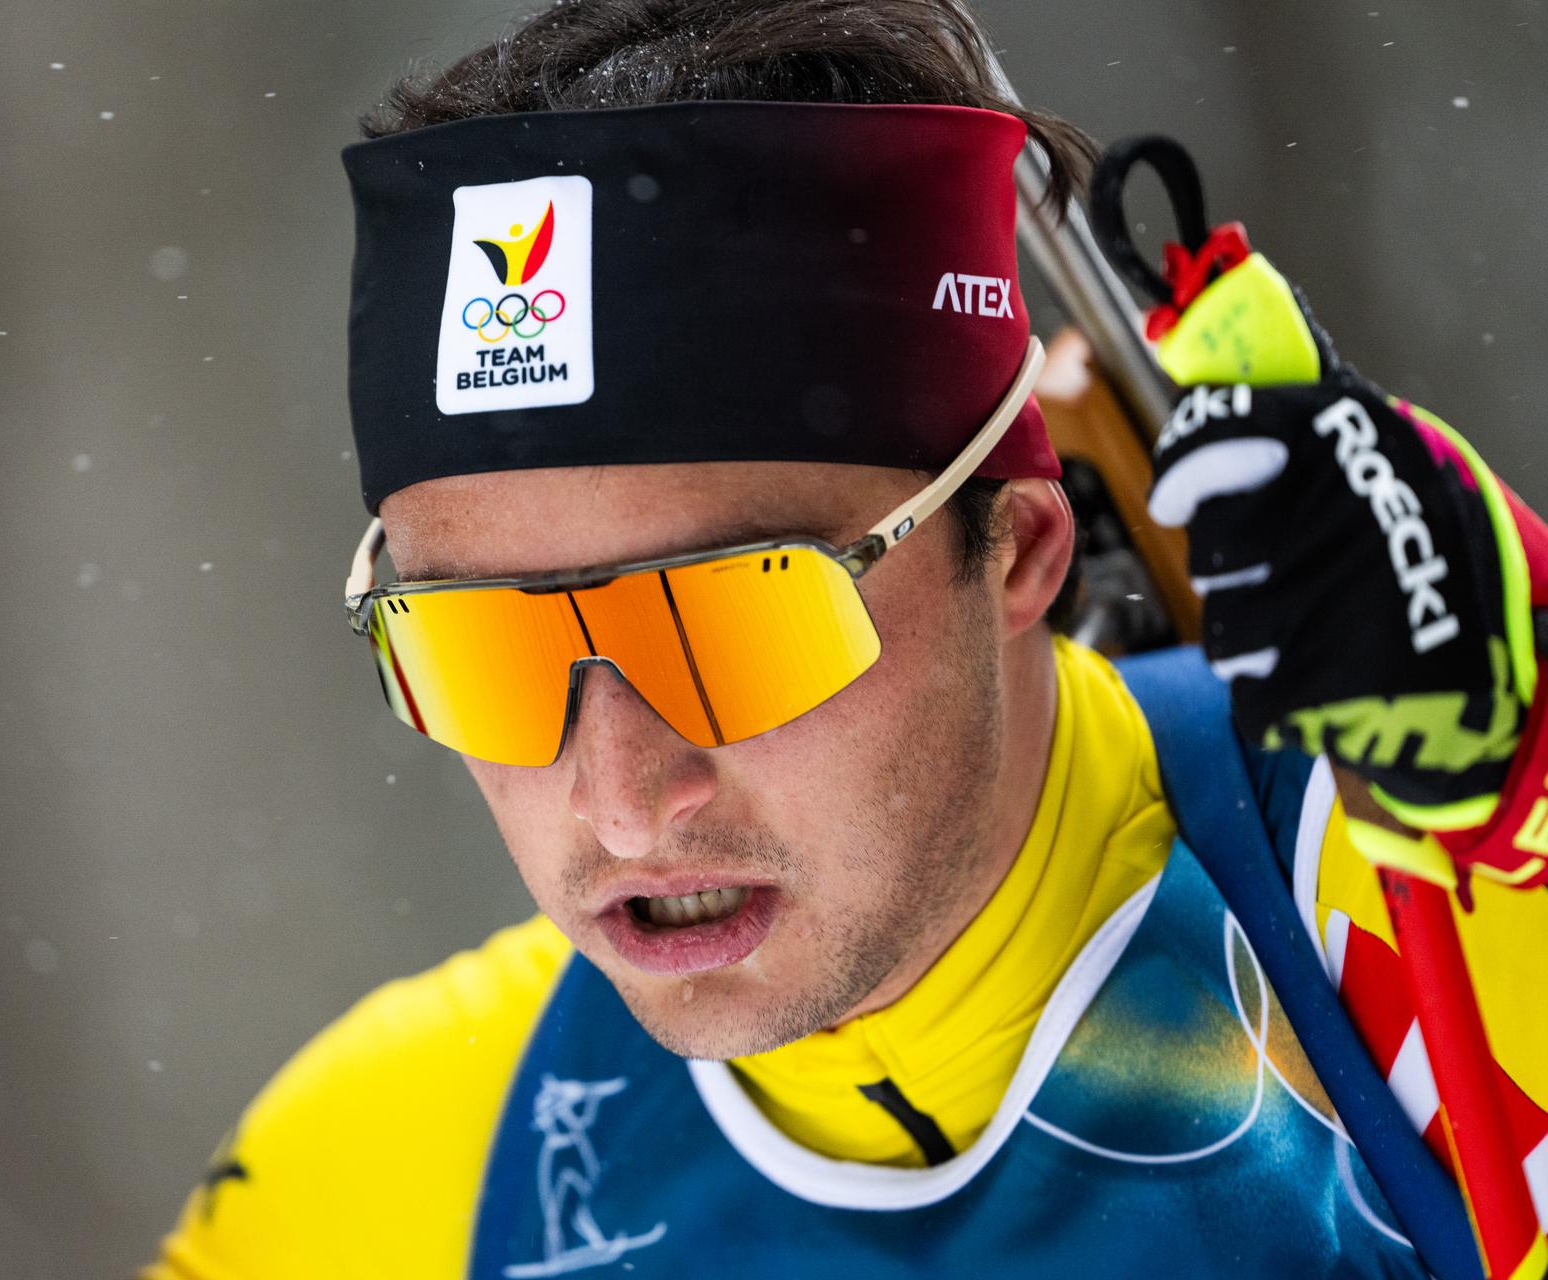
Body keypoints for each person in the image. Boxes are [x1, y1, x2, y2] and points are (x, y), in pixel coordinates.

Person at [135, 1, 1548, 1276]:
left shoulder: (1403, 903)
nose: (624, 800)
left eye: (733, 621)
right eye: (479, 652)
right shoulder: (417, 1163)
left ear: (1020, 547)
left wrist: (1524, 722)